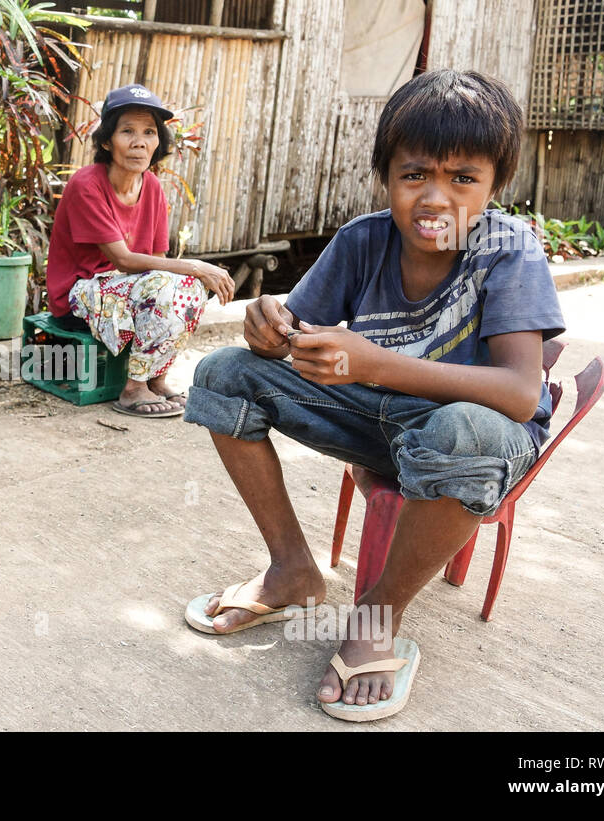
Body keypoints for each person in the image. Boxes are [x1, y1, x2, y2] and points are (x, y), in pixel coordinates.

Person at [181, 70, 565, 720]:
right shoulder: (364, 240)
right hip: (377, 419)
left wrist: (376, 363)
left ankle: (379, 614)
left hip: (476, 435)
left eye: (463, 179)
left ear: (496, 185)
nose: (435, 198)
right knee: (225, 375)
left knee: (462, 432)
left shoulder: (509, 252)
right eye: (415, 175)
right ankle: (292, 570)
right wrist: (272, 332)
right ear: (386, 175)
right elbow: (299, 334)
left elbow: (521, 393)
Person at [45, 83, 235, 418]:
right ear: (107, 141)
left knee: (188, 287)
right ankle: (133, 389)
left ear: (158, 142)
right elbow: (123, 259)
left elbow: (158, 263)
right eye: (127, 131)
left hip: (124, 288)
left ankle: (156, 379)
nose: (139, 142)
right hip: (78, 292)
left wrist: (191, 276)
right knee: (176, 281)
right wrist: (195, 265)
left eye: (149, 132)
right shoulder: (87, 185)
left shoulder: (153, 188)